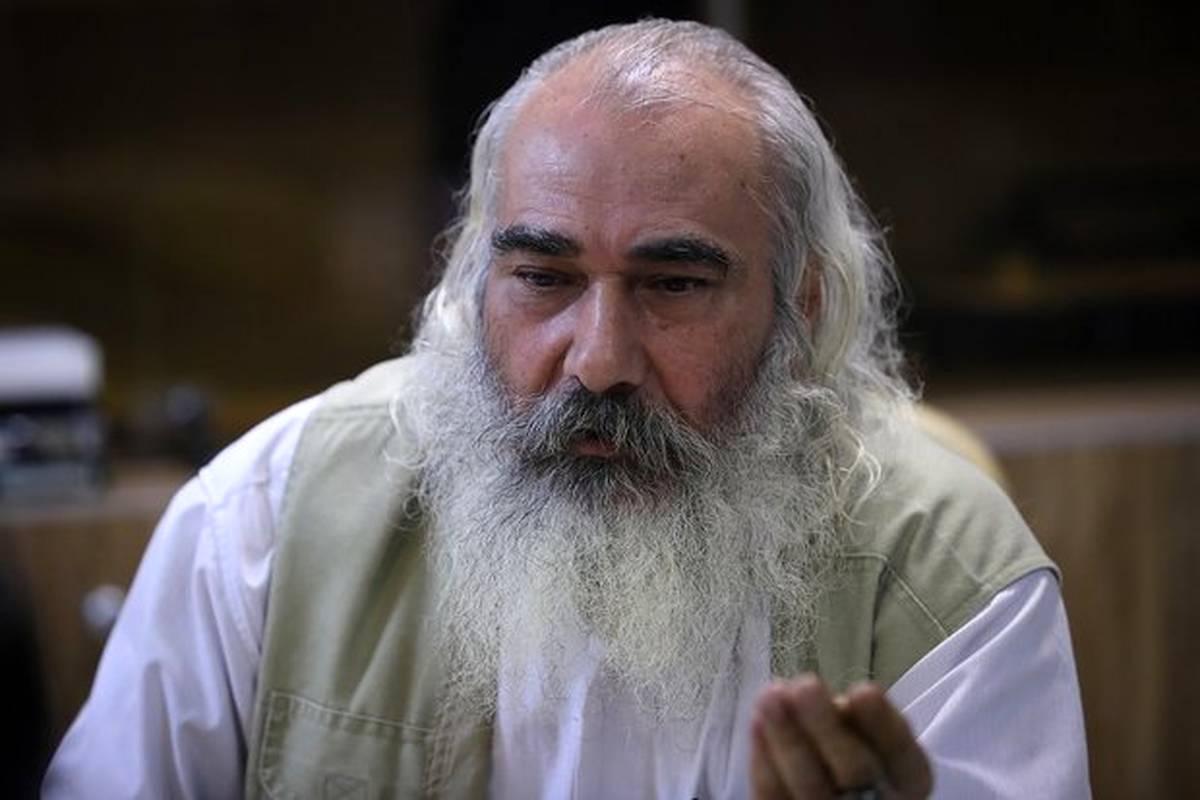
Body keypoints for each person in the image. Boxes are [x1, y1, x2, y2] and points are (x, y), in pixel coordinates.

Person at [44, 19, 1090, 799]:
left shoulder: (949, 577)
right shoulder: (265, 523)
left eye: (673, 284)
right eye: (544, 278)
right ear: (475, 281)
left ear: (801, 306)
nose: (596, 362)